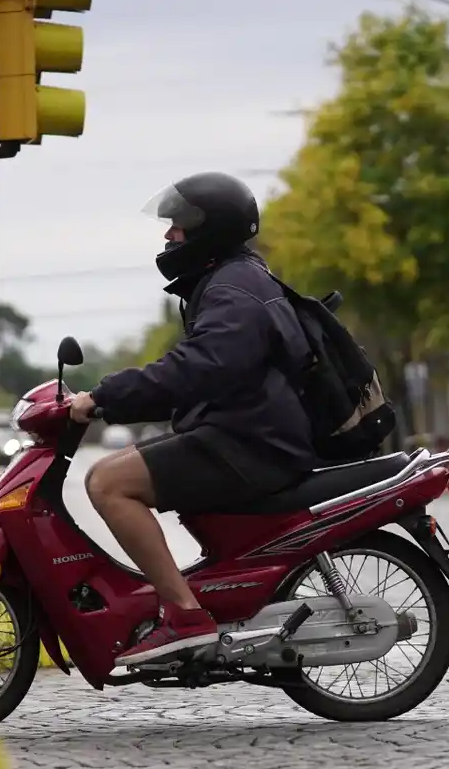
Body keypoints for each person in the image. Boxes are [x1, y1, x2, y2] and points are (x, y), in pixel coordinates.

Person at [69, 172, 318, 667]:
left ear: (212, 230)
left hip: (252, 445)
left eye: (178, 226)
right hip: (247, 434)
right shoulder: (235, 279)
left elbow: (200, 368)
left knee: (107, 482)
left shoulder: (233, 288)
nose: (168, 236)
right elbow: (202, 373)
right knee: (124, 465)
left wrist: (102, 397)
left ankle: (185, 617)